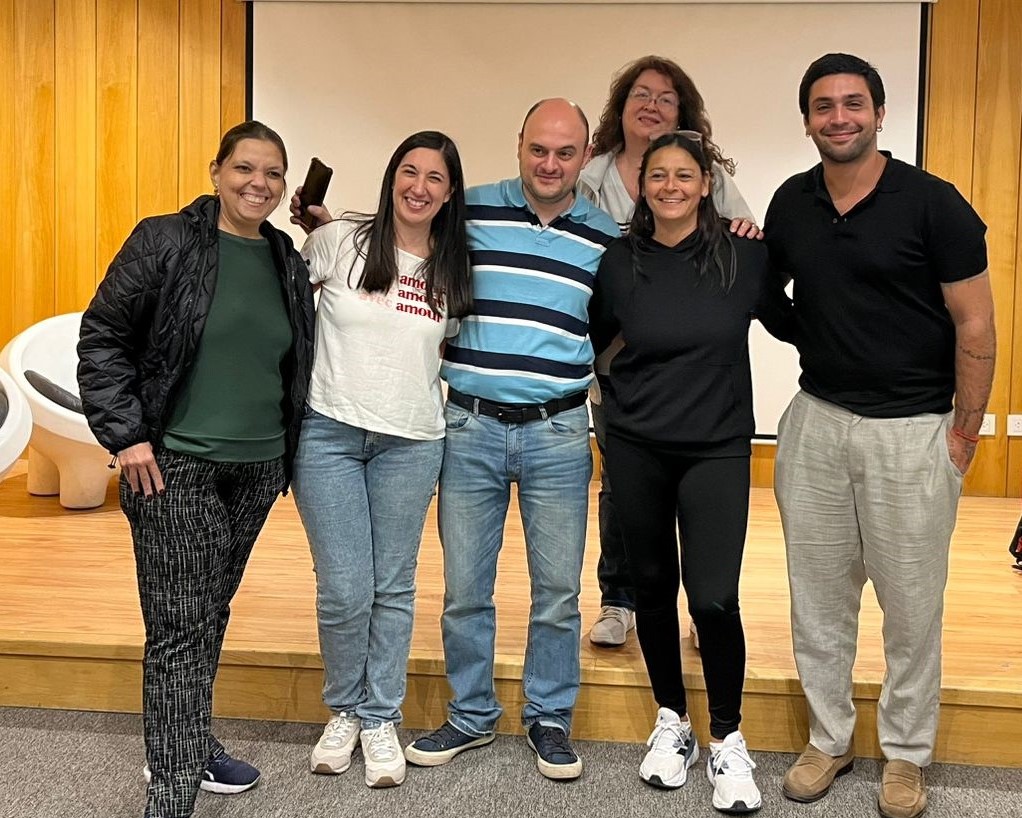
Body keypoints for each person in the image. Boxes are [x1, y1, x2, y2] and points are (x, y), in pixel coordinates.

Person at [764, 53, 995, 818]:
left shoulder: (935, 204)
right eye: (823, 106)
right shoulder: (792, 203)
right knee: (820, 603)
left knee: (911, 606)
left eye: (853, 103)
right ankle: (830, 739)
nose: (839, 117)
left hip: (917, 431)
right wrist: (821, 341)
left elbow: (976, 324)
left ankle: (906, 756)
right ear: (806, 120)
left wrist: (964, 431)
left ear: (880, 112)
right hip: (817, 425)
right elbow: (770, 298)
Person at [77, 121, 315, 818]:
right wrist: (127, 437)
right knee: (179, 627)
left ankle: (188, 741)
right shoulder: (165, 240)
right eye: (245, 168)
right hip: (171, 466)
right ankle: (173, 792)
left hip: (256, 467)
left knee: (209, 615)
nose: (258, 184)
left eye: (273, 173)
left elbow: (291, 359)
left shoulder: (284, 257)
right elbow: (104, 336)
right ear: (216, 170)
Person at [404, 98, 619, 780]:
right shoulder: (467, 212)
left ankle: (549, 716)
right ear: (518, 145)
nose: (550, 164)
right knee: (466, 588)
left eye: (565, 152)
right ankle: (469, 717)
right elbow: (400, 242)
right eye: (538, 149)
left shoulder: (605, 235)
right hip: (469, 427)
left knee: (557, 592)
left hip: (558, 432)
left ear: (585, 156)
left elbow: (616, 326)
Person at [589, 131, 790, 813]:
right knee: (650, 590)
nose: (670, 186)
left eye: (684, 175)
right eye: (657, 176)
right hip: (638, 446)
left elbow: (795, 323)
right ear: (641, 186)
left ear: (706, 184)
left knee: (711, 599)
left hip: (718, 448)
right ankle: (672, 720)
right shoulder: (617, 262)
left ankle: (729, 737)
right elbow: (597, 340)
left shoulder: (746, 257)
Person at [287, 131, 472, 789]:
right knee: (343, 587)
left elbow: (446, 352)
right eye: (409, 172)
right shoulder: (338, 242)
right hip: (328, 435)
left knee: (392, 586)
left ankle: (378, 717)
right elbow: (283, 308)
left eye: (435, 179)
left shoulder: (455, 269)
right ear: (392, 175)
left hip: (412, 443)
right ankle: (343, 708)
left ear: (451, 194)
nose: (419, 187)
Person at [579, 54, 760, 648]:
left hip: (695, 374)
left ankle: (705, 610)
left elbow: (742, 238)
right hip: (618, 362)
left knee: (699, 499)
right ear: (621, 108)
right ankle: (620, 598)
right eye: (640, 95)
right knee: (623, 487)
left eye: (665, 98)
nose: (651, 105)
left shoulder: (707, 169)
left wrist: (744, 235)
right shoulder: (590, 173)